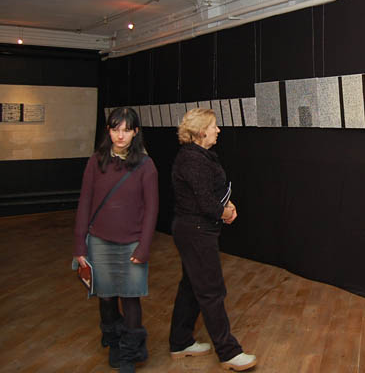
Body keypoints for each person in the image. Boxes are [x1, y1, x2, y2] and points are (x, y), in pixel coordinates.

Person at [168, 108, 257, 371]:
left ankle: (180, 341)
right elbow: (205, 201)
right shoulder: (192, 160)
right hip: (195, 231)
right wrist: (225, 212)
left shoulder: (199, 156)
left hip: (195, 229)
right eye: (214, 126)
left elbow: (211, 192)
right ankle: (229, 352)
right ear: (200, 131)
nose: (218, 130)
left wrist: (227, 205)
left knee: (191, 287)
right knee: (211, 291)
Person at [73, 107, 159, 373]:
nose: (120, 136)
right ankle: (114, 341)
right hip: (99, 241)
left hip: (132, 243)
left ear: (135, 132)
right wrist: (79, 245)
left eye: (126, 130)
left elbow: (152, 209)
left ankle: (129, 353)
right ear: (108, 131)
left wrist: (144, 247)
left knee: (131, 298)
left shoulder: (145, 165)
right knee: (106, 298)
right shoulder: (96, 161)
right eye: (115, 129)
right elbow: (85, 202)